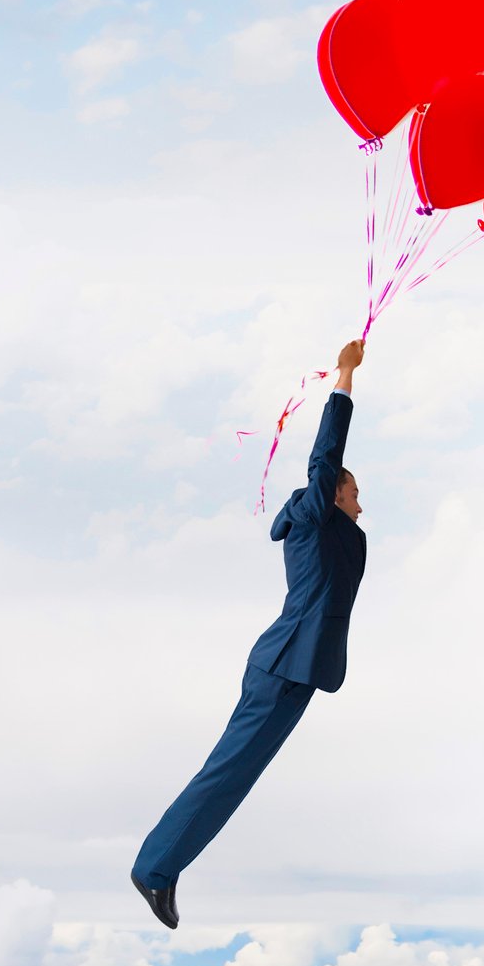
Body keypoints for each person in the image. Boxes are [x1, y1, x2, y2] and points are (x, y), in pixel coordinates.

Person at [131, 340, 368, 928]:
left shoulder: (335, 529)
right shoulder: (316, 517)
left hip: (300, 670)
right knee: (228, 772)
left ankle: (164, 865)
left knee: (237, 779)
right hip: (285, 665)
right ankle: (154, 869)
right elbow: (325, 456)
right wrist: (345, 378)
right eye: (354, 492)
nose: (362, 503)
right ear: (333, 493)